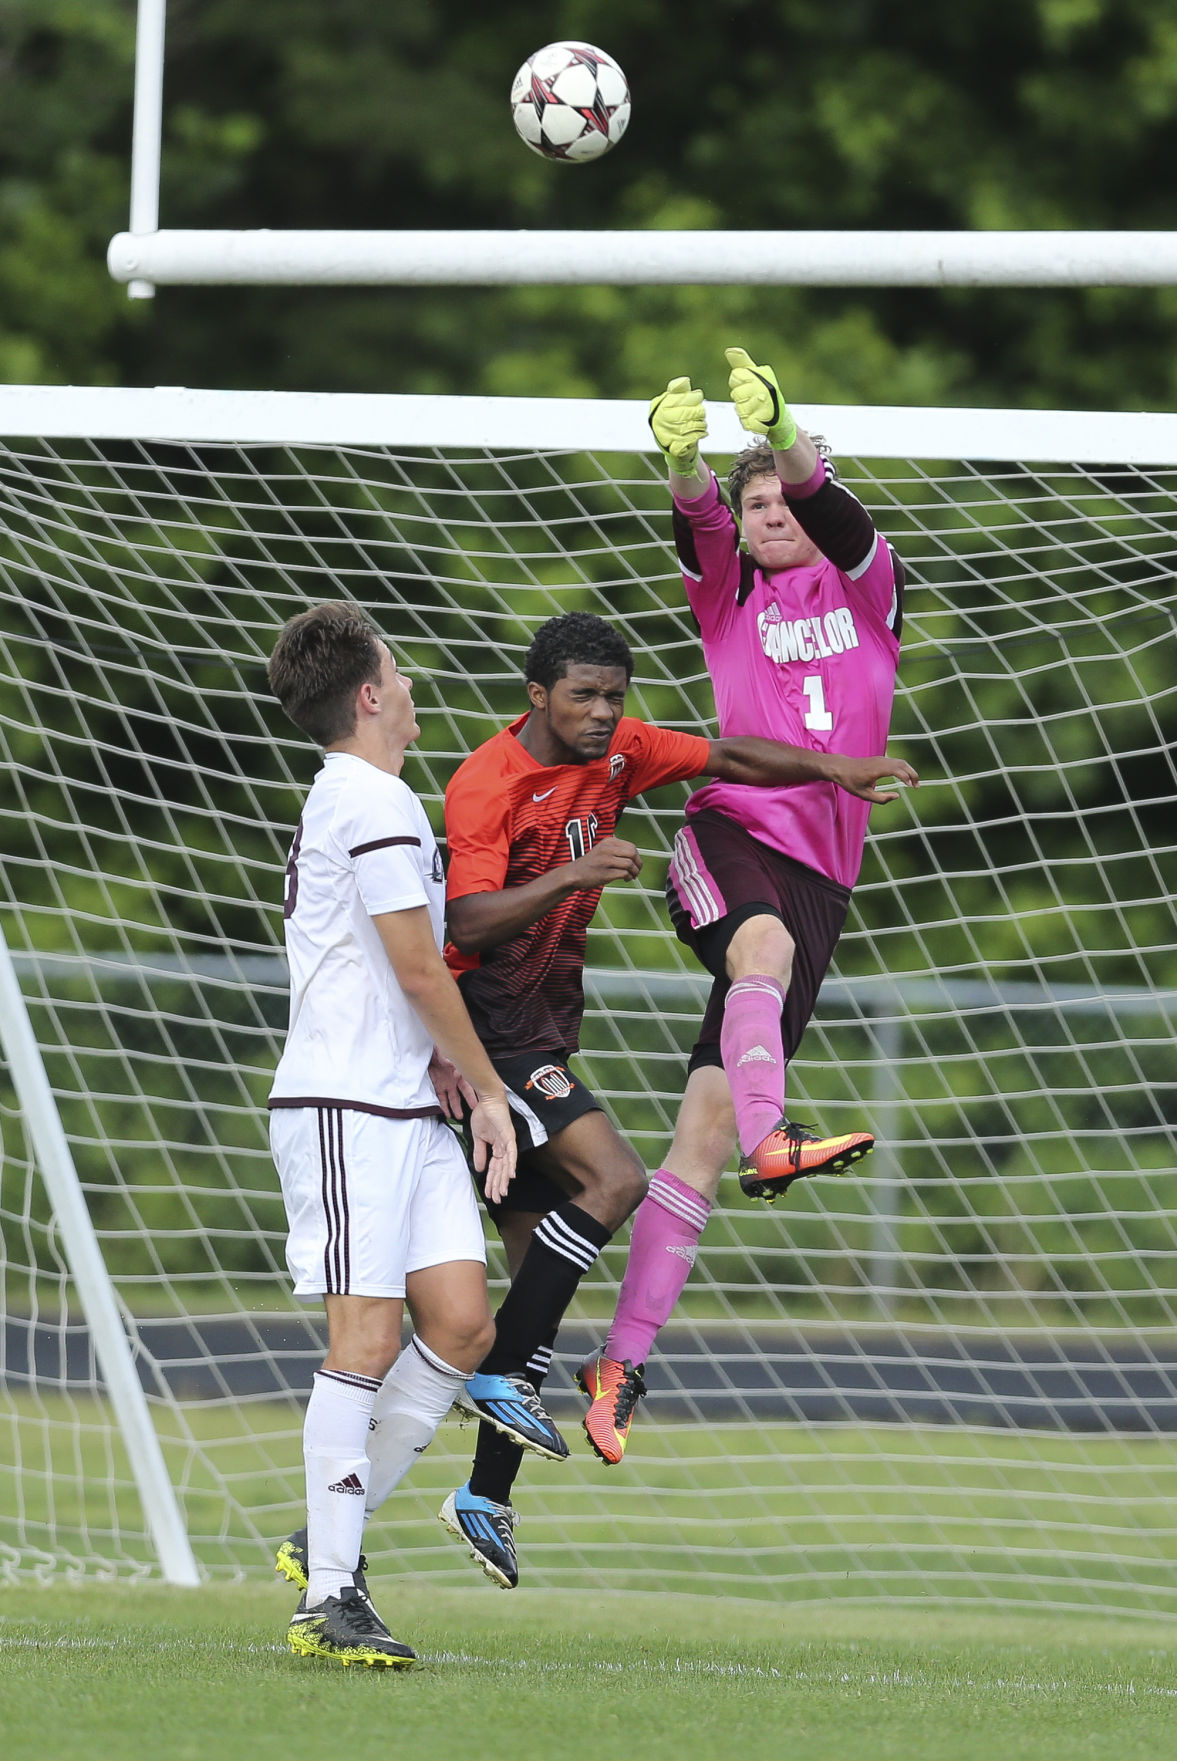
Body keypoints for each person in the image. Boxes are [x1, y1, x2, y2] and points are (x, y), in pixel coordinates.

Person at [438, 608, 914, 1587]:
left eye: (615, 696)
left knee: (530, 1304)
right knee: (614, 1180)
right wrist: (577, 868)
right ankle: (478, 1410)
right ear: (536, 696)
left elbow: (724, 750)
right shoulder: (487, 782)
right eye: (583, 695)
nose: (604, 714)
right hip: (485, 1034)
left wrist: (833, 770)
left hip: (539, 1033)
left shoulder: (621, 753)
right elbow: (468, 917)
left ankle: (481, 1495)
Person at [579, 345, 914, 1469]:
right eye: (751, 498)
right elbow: (698, 520)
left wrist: (793, 437)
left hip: (825, 881)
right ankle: (781, 1136)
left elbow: (835, 501)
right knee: (754, 944)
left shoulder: (871, 597)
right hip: (729, 839)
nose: (766, 511)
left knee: (701, 1137)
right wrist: (685, 465)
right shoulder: (728, 602)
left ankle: (618, 1362)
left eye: (782, 497)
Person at [264, 600, 561, 1668]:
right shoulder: (372, 801)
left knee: (463, 1326)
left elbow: (404, 975)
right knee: (365, 1343)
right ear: (370, 694)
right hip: (347, 1109)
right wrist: (488, 1089)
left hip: (407, 1099)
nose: (413, 683)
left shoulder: (371, 798)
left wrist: (445, 1072)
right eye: (401, 668)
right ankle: (330, 1599)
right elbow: (418, 968)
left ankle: (323, 1541)